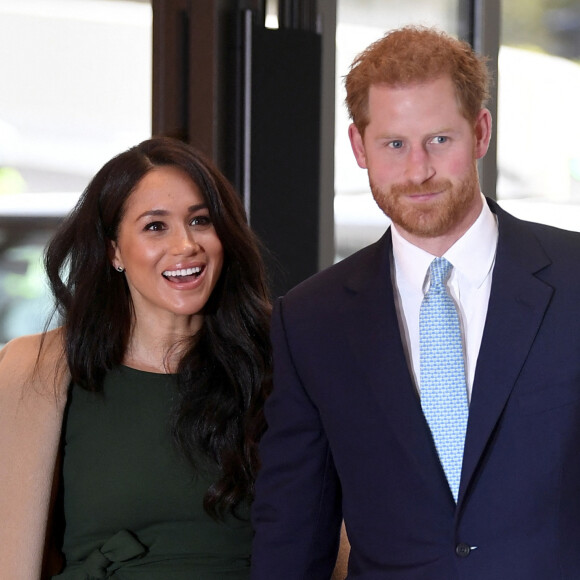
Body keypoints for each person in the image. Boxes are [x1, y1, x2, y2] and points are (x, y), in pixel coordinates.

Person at [251, 25, 580, 579]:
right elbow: (293, 527)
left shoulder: (574, 279)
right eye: (394, 144)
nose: (418, 170)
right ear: (359, 146)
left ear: (480, 132)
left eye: (440, 140)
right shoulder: (311, 321)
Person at [0, 136, 272, 579]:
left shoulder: (282, 358)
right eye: (155, 226)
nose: (186, 245)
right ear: (113, 251)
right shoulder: (39, 371)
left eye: (200, 221)